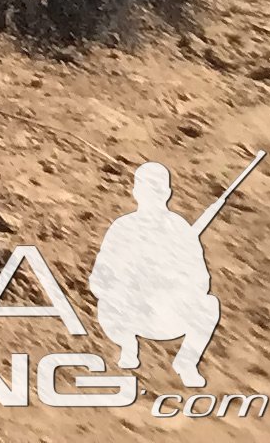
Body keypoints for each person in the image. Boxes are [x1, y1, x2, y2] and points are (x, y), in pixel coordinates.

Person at [90, 162, 225, 389]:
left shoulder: (180, 230)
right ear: (136, 193)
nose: (151, 196)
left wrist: (170, 281)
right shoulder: (122, 227)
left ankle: (186, 363)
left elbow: (201, 281)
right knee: (107, 302)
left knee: (209, 305)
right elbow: (99, 279)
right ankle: (127, 346)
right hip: (129, 314)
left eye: (156, 190)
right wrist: (127, 285)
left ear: (167, 193)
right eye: (146, 190)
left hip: (166, 314)